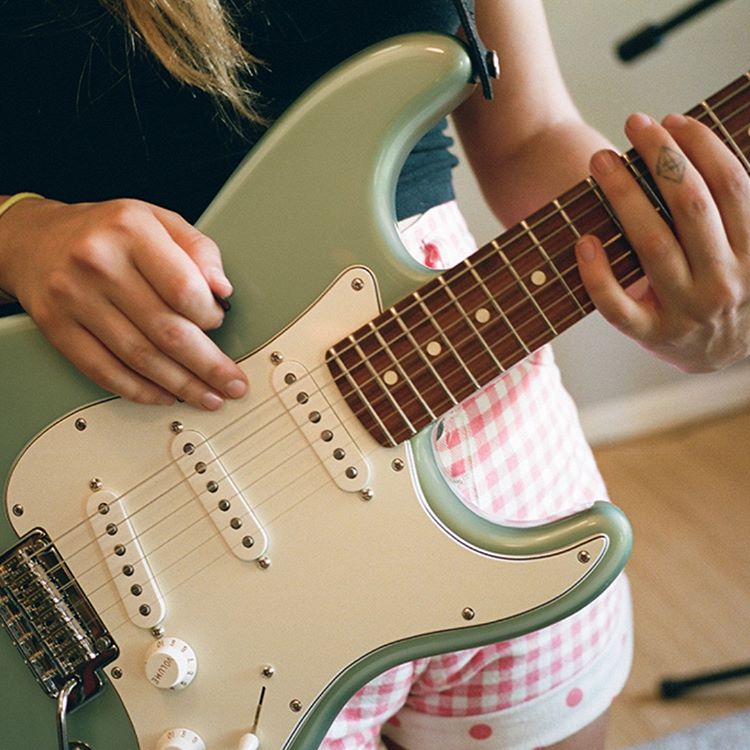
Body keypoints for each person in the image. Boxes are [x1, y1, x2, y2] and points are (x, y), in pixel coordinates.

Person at [0, 1, 748, 748]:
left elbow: (530, 135)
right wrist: (17, 232)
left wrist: (684, 281)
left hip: (504, 461)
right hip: (133, 521)